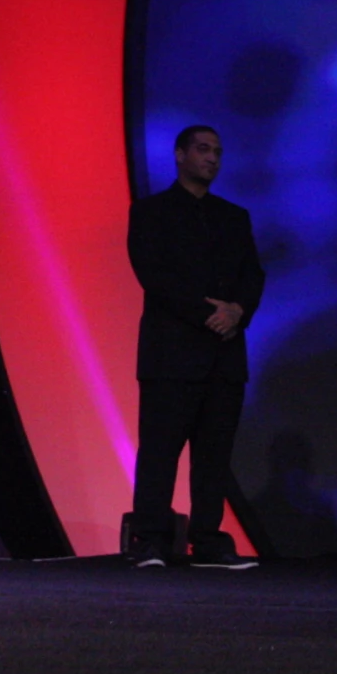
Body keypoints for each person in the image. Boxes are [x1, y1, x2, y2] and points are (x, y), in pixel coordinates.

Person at [123, 124, 265, 570]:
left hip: (224, 357)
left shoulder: (234, 216)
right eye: (203, 150)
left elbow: (253, 274)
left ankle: (207, 540)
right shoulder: (151, 213)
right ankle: (151, 540)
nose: (212, 159)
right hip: (172, 354)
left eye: (218, 152)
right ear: (180, 154)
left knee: (214, 456)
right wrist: (211, 315)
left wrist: (238, 310)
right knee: (160, 452)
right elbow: (154, 275)